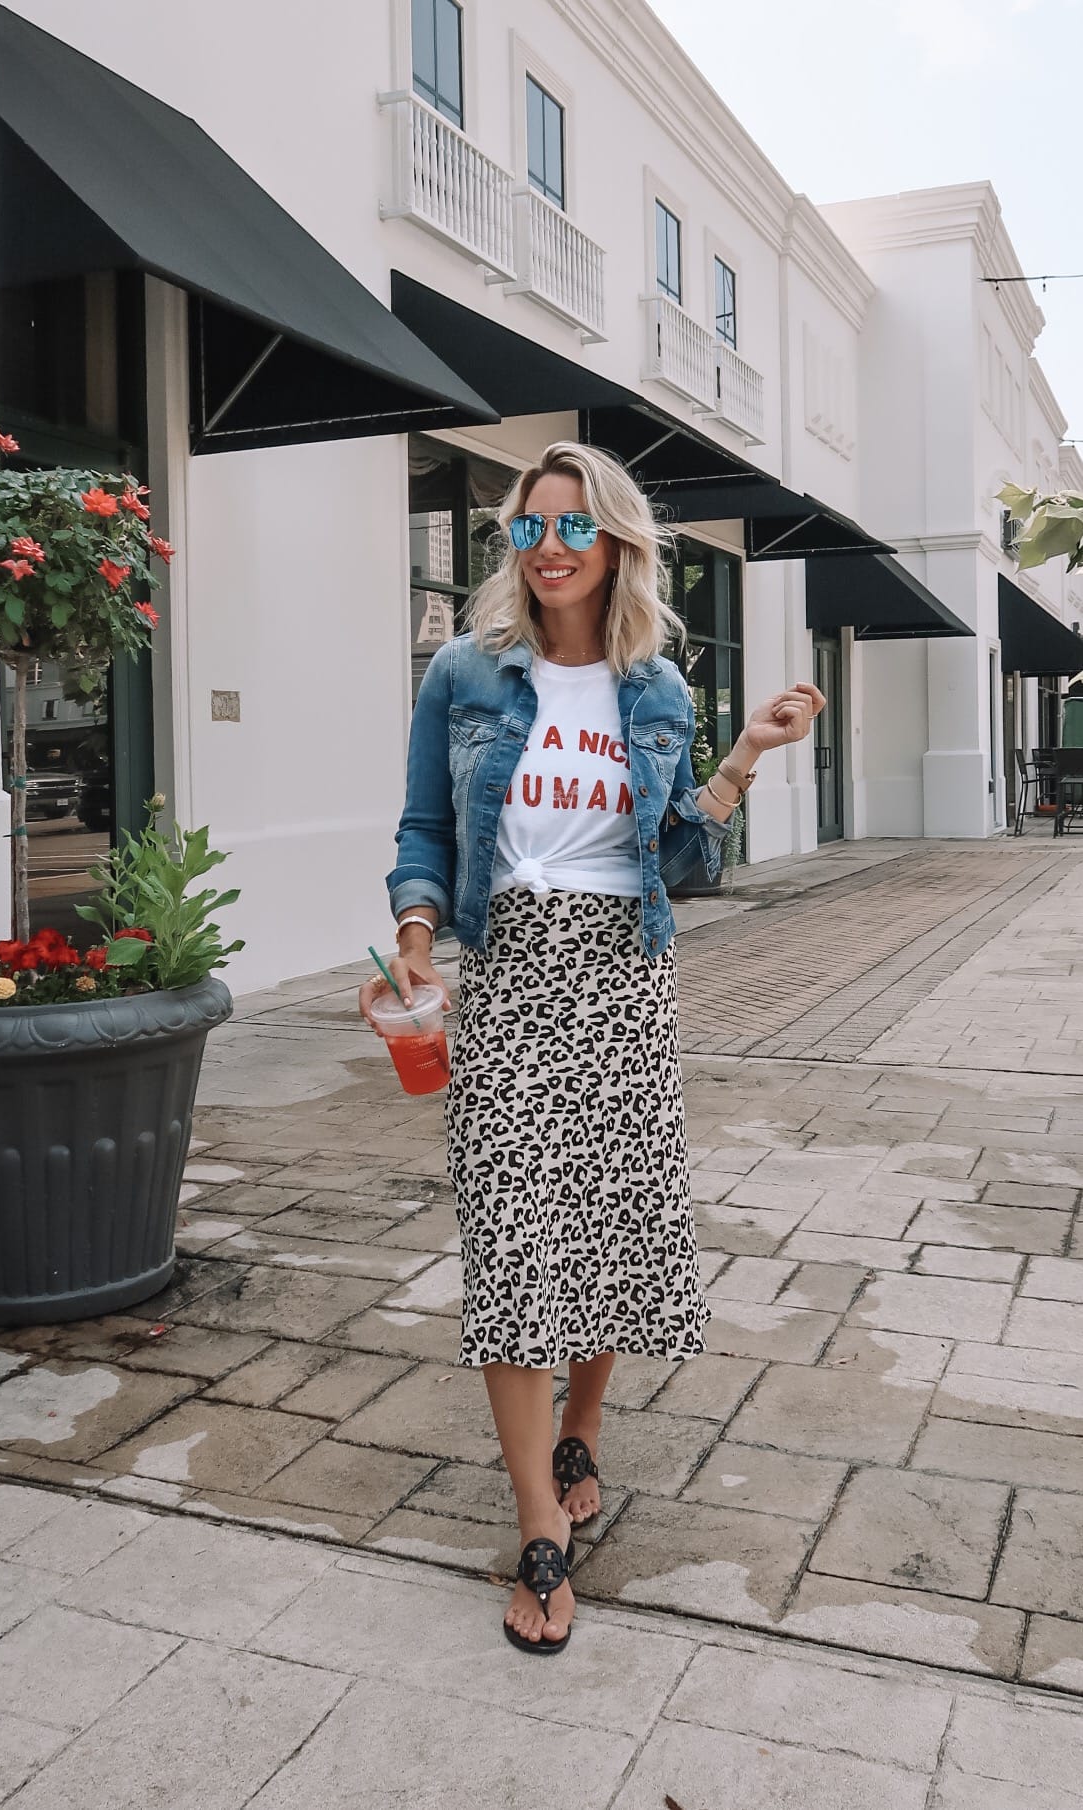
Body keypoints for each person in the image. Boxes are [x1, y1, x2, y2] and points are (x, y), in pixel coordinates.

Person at [359, 441, 823, 1657]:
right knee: (513, 1243)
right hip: (508, 977)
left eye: (572, 527)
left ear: (616, 542)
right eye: (528, 528)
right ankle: (536, 1531)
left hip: (623, 981)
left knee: (612, 1226)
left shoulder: (656, 688)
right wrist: (416, 932)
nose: (549, 547)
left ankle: (585, 1426)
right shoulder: (465, 671)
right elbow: (421, 821)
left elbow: (680, 862)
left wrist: (742, 758)